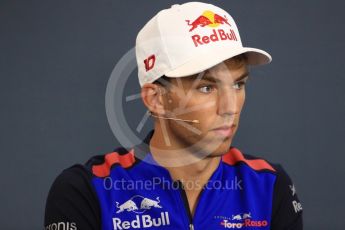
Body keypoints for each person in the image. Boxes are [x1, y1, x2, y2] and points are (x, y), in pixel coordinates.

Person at [44, 2, 303, 230]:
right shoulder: (87, 191)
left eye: (238, 84)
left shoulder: (268, 185)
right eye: (206, 87)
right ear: (156, 100)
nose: (230, 107)